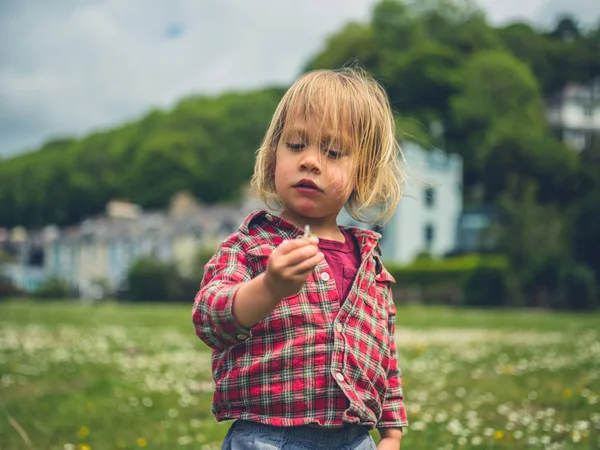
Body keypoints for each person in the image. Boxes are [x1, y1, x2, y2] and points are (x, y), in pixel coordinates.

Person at [193, 67, 407, 450]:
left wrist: (391, 432)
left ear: (364, 172)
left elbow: (383, 354)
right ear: (273, 154)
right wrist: (269, 287)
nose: (310, 161)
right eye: (295, 145)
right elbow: (210, 320)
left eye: (333, 152)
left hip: (355, 439)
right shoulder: (251, 244)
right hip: (267, 435)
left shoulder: (369, 263)